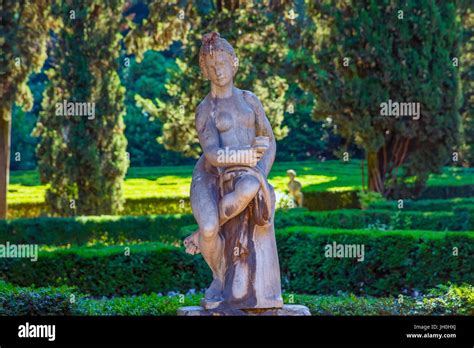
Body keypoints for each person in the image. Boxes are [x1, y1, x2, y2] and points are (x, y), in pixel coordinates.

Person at [183, 32, 276, 306]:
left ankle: (197, 237)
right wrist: (247, 156)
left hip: (247, 173)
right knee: (210, 227)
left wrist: (260, 172)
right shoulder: (206, 109)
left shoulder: (249, 100)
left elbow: (269, 140)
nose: (218, 70)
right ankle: (218, 276)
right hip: (211, 175)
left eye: (222, 63)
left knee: (249, 186)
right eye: (211, 67)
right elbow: (212, 155)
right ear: (204, 71)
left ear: (234, 62)